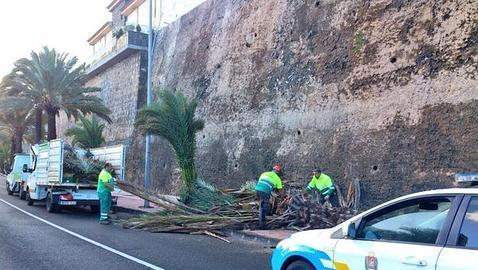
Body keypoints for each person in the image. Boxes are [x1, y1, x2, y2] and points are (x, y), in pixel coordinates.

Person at [255, 165, 283, 229]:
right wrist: (281, 199)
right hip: (265, 191)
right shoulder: (277, 178)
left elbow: (261, 183)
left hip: (257, 190)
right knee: (264, 207)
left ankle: (262, 221)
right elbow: (280, 191)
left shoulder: (264, 173)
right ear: (278, 172)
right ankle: (262, 225)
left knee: (262, 205)